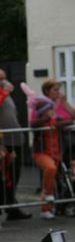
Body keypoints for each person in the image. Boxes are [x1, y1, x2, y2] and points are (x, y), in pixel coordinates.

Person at [30, 80, 65, 220]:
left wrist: (59, 122)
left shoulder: (57, 106)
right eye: (55, 90)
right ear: (47, 91)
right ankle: (47, 197)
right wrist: (46, 117)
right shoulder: (40, 104)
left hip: (55, 149)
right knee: (50, 169)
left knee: (53, 177)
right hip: (41, 150)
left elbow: (71, 118)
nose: (58, 92)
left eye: (58, 89)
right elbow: (32, 124)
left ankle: (47, 208)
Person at [0, 69, 31, 221]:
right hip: (3, 141)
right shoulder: (2, 94)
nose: (4, 82)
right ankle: (7, 206)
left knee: (13, 175)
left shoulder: (6, 95)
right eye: (0, 79)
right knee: (5, 175)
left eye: (4, 79)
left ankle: (11, 205)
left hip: (13, 141)